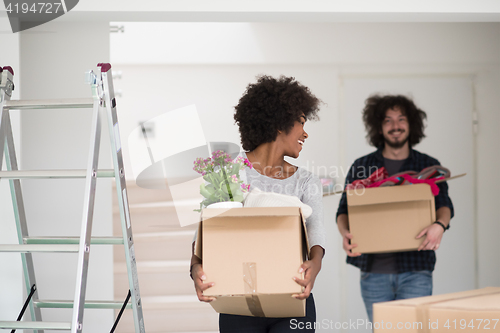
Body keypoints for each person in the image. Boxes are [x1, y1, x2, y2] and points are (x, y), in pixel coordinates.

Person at [190, 75, 326, 332]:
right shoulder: (228, 172)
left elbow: (316, 231)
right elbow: (205, 230)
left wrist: (315, 265)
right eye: (301, 122)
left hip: (293, 300)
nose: (305, 133)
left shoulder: (306, 181)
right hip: (238, 303)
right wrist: (195, 268)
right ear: (279, 123)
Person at [336, 94, 454, 322]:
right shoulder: (362, 166)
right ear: (379, 128)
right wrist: (346, 234)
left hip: (416, 269)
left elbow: (445, 206)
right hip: (374, 272)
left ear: (411, 124)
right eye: (388, 120)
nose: (395, 126)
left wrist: (439, 226)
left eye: (401, 119)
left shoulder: (428, 166)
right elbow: (343, 211)